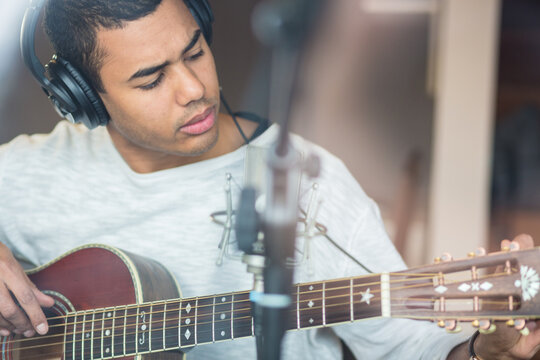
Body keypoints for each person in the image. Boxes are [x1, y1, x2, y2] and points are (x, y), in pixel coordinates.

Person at [0, 0, 539, 359]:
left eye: (194, 52)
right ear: (86, 99)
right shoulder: (29, 170)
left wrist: (481, 353)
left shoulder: (308, 185)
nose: (192, 88)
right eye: (151, 78)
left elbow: (410, 348)